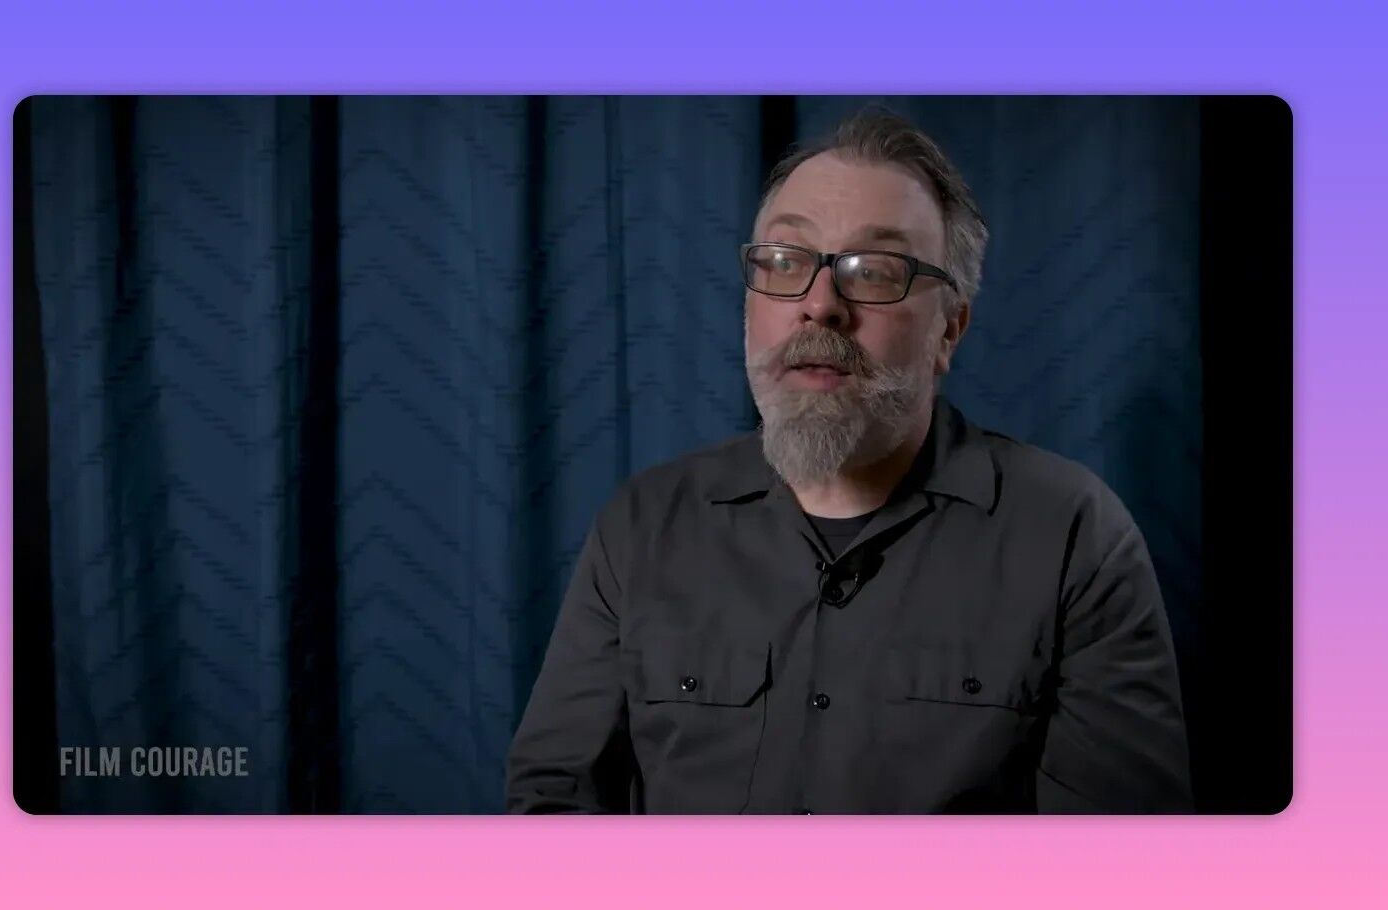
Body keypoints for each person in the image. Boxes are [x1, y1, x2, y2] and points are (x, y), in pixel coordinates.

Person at [505, 109, 1192, 814]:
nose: (819, 305)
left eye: (875, 271)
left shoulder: (1073, 537)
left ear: (949, 330)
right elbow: (552, 811)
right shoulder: (643, 525)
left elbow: (1119, 858)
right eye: (786, 261)